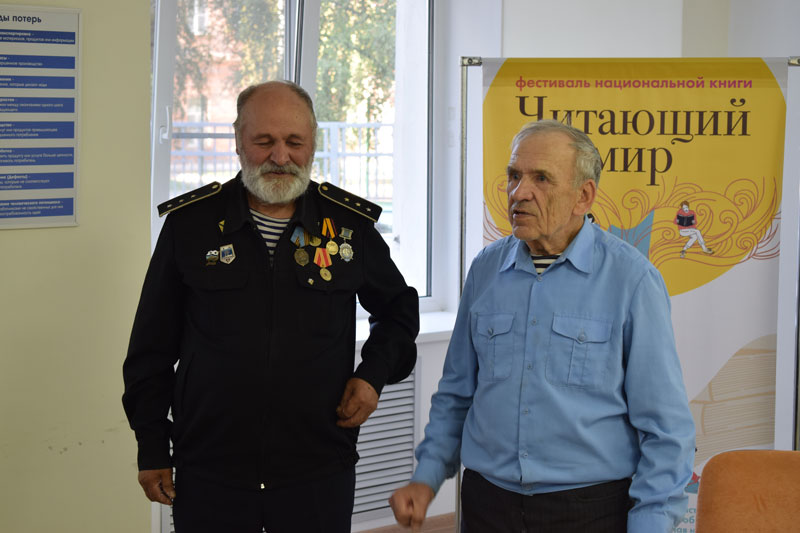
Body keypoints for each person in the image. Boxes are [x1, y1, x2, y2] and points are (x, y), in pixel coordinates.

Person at [122, 80, 419, 533]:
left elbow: (399, 311)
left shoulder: (348, 227)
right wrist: (151, 446)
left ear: (312, 143)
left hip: (317, 468)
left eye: (294, 142)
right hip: (211, 468)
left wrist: (372, 375)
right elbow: (150, 348)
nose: (280, 156)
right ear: (239, 142)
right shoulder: (190, 225)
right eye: (264, 141)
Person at [389, 120, 695, 532]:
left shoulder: (632, 281)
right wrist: (426, 477)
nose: (519, 192)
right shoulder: (485, 270)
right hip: (487, 504)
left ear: (583, 196)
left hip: (589, 509)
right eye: (514, 176)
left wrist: (650, 524)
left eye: (541, 179)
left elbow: (666, 429)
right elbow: (457, 393)